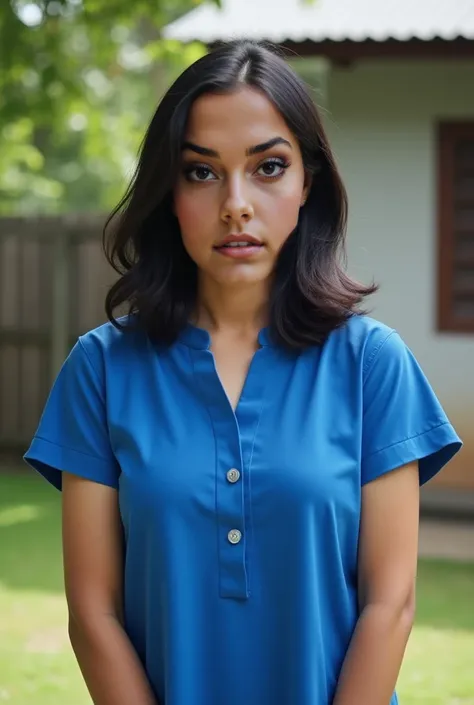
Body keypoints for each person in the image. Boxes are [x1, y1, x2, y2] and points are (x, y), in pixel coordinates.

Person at [24, 40, 462, 705]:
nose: (236, 203)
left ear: (306, 182)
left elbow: (390, 603)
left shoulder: (373, 365)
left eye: (269, 167)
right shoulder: (100, 370)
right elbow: (94, 614)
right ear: (169, 191)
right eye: (202, 172)